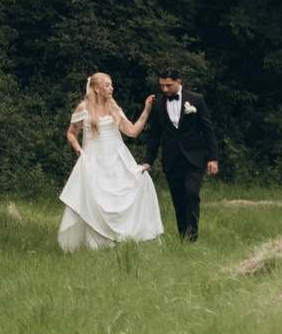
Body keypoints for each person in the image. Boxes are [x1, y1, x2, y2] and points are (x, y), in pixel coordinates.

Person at [57, 71, 164, 251]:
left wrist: (146, 110)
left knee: (135, 183)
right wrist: (78, 148)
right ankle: (97, 242)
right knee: (97, 197)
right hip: (95, 158)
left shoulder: (114, 109)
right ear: (96, 89)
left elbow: (132, 131)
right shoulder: (83, 108)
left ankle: (126, 236)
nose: (111, 88)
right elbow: (71, 133)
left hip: (117, 157)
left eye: (111, 84)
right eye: (107, 85)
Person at [138, 71, 220, 242]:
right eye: (162, 86)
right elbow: (154, 136)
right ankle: (183, 237)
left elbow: (207, 130)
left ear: (179, 81)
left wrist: (213, 158)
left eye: (169, 85)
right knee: (178, 199)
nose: (165, 89)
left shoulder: (196, 99)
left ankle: (192, 237)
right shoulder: (158, 105)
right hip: (171, 158)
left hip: (195, 157)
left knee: (191, 193)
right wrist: (148, 161)